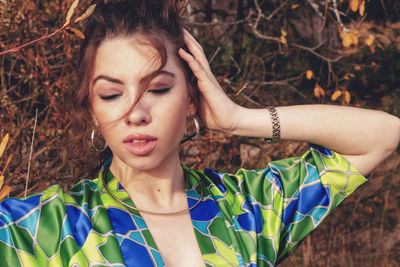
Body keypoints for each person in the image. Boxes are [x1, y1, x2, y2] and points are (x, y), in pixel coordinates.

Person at [0, 0, 399, 266]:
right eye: (110, 93)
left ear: (192, 97)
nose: (135, 112)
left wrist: (239, 118)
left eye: (157, 88)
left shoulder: (246, 208)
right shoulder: (45, 228)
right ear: (92, 107)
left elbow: (382, 134)